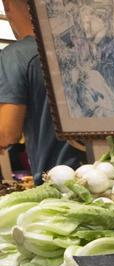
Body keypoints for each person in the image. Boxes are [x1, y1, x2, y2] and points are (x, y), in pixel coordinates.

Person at [0, 0, 84, 183]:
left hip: (59, 181)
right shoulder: (83, 49)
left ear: (7, 5)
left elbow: (6, 132)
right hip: (108, 171)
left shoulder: (16, 55)